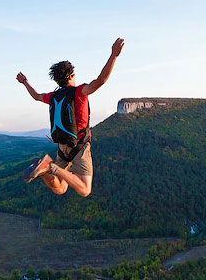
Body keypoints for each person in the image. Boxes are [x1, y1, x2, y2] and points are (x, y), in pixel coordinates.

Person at [16, 38, 125, 197]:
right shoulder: (79, 92)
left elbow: (36, 96)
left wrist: (25, 82)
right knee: (85, 190)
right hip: (79, 146)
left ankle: (45, 170)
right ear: (72, 75)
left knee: (60, 188)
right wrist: (114, 55)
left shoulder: (54, 96)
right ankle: (50, 167)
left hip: (62, 146)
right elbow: (101, 80)